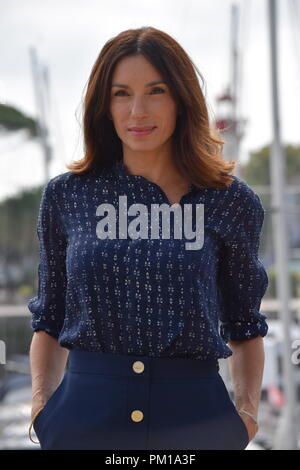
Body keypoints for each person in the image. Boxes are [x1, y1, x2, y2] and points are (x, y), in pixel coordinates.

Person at [27, 26, 268, 450]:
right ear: (104, 105)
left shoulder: (229, 202)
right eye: (121, 93)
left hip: (198, 422)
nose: (137, 110)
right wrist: (42, 408)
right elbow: (49, 318)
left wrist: (245, 417)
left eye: (155, 91)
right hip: (83, 422)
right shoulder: (68, 195)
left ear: (181, 100)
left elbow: (245, 324)